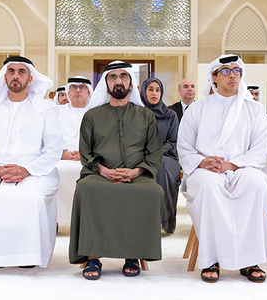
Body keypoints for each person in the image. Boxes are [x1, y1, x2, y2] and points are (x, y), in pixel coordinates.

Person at [178, 55, 267, 282]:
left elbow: (260, 149)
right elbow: (184, 147)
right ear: (214, 77)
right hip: (205, 169)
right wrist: (203, 162)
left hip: (243, 167)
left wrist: (232, 164)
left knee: (256, 184)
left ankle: (250, 259)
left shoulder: (255, 110)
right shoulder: (197, 109)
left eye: (236, 70)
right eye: (226, 71)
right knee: (210, 186)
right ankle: (211, 259)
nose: (233, 75)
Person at [70, 60, 164, 280]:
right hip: (99, 174)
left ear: (131, 84)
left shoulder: (146, 116)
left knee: (153, 191)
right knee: (86, 189)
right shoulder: (92, 116)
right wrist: (103, 170)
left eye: (124, 76)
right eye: (113, 77)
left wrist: (136, 172)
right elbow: (85, 152)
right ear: (106, 83)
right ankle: (92, 256)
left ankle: (133, 254)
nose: (118, 81)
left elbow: (155, 151)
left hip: (137, 175)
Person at [0, 56, 62, 268]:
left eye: (21, 72)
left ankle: (29, 256)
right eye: (11, 72)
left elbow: (53, 149)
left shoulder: (46, 110)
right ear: (4, 77)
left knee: (32, 197)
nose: (16, 76)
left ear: (30, 79)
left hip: (37, 171)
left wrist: (26, 170)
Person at [141, 77, 181, 234]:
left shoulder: (170, 115)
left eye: (157, 90)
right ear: (143, 92)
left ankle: (164, 221)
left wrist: (155, 152)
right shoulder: (137, 114)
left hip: (166, 156)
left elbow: (173, 141)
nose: (154, 93)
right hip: (141, 156)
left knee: (162, 166)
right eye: (150, 89)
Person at [55, 76, 92, 226]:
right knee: (53, 173)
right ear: (68, 92)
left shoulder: (96, 113)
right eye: (74, 87)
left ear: (89, 92)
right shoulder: (56, 112)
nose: (78, 91)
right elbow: (47, 139)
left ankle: (87, 221)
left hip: (88, 161)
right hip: (60, 159)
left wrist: (85, 156)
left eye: (82, 87)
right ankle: (56, 219)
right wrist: (62, 154)